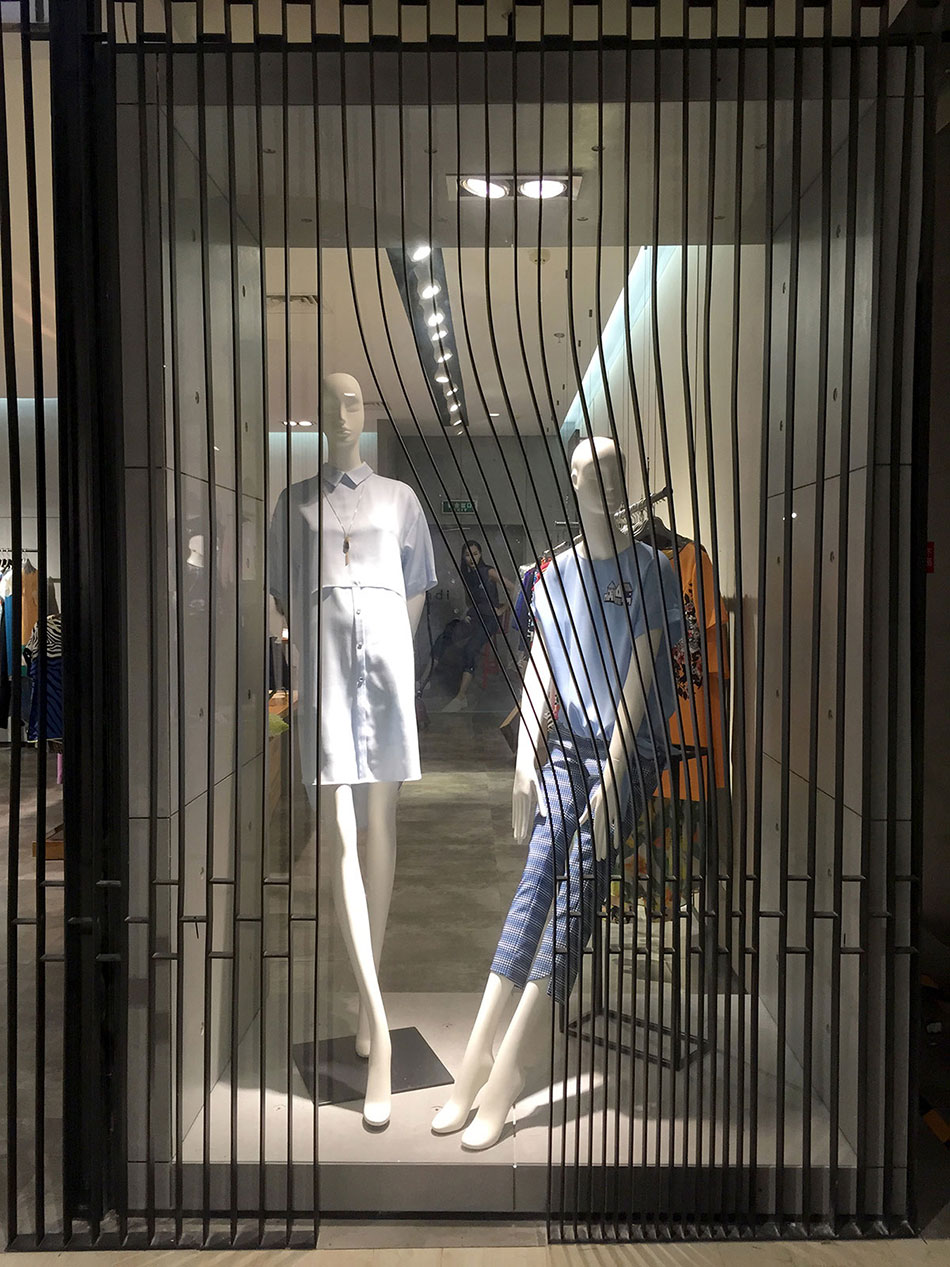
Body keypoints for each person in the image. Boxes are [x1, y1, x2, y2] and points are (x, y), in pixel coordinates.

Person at [443, 540, 515, 712]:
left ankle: (461, 697)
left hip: (490, 619)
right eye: (468, 555)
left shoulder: (488, 571)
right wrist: (468, 613)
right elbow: (471, 600)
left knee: (470, 648)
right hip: (475, 617)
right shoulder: (467, 575)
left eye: (475, 554)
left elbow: (514, 588)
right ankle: (424, 682)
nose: (471, 559)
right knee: (446, 638)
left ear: (480, 554)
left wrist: (503, 609)